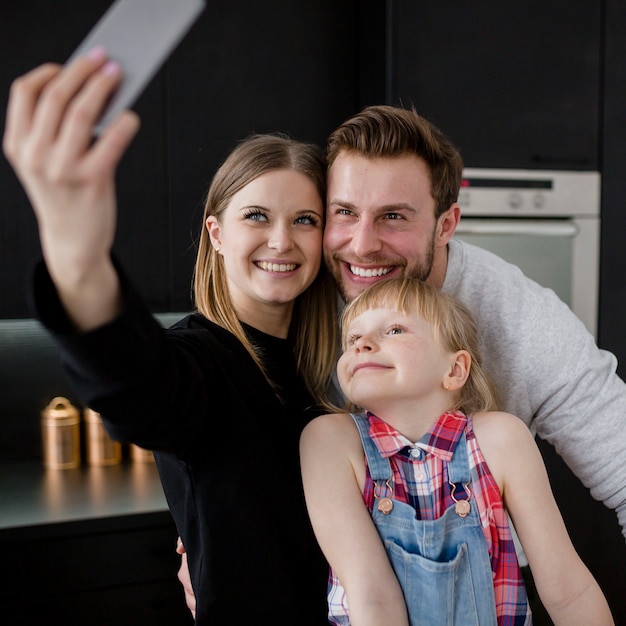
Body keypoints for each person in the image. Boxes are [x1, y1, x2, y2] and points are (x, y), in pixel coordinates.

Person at [177, 104, 626, 616]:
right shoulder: (296, 279)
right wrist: (211, 538)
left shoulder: (523, 322)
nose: (362, 245)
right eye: (344, 212)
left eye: (394, 216)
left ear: (445, 224)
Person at [3, 51, 339, 624]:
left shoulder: (337, 363)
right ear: (216, 233)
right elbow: (137, 390)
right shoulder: (201, 361)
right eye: (256, 216)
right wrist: (76, 252)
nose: (282, 241)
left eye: (304, 220)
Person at [300, 276, 614, 626]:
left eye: (394, 330)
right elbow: (371, 595)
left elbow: (568, 590)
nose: (363, 345)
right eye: (353, 338)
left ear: (454, 369)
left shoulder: (500, 439)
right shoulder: (331, 440)